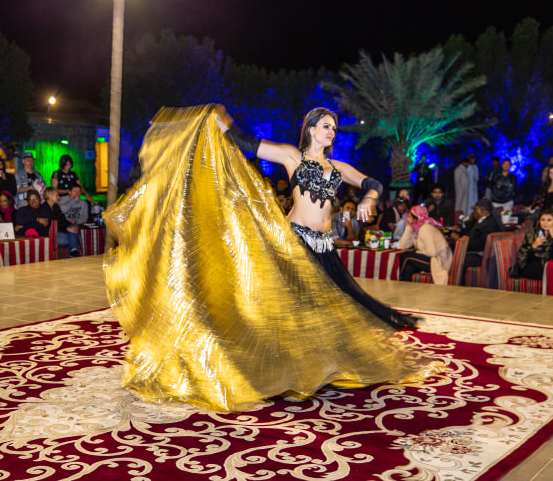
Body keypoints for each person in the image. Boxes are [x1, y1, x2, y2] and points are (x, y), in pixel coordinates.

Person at [103, 104, 440, 412]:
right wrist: (221, 124)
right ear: (310, 129)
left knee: (341, 306)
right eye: (326, 126)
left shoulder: (337, 166)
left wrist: (369, 196)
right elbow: (248, 144)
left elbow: (374, 182)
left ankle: (319, 367)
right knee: (291, 308)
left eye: (334, 128)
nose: (331, 132)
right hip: (295, 243)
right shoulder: (293, 157)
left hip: (325, 245)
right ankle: (271, 368)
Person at [396, 205, 452, 284]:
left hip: (439, 260)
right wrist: (409, 227)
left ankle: (396, 281)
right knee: (409, 268)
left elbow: (432, 252)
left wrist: (417, 253)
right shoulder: (417, 228)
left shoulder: (425, 228)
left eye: (409, 217)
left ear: (416, 218)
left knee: (406, 255)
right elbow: (404, 246)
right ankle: (406, 289)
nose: (407, 219)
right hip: (432, 258)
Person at [511, 210, 553, 280]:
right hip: (532, 267)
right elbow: (522, 257)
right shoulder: (532, 234)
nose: (545, 223)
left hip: (549, 266)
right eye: (543, 220)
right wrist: (534, 246)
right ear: (539, 221)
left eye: (549, 220)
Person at [451, 197, 502, 269]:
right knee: (450, 250)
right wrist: (461, 231)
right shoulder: (484, 220)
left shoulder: (489, 225)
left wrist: (459, 240)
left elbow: (478, 244)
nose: (473, 212)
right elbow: (471, 234)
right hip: (477, 252)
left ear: (480, 211)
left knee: (454, 257)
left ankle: (457, 279)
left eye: (475, 210)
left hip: (481, 255)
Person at [44, 187, 80, 256]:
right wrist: (67, 228)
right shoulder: (44, 209)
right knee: (72, 239)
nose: (59, 197)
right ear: (50, 196)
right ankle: (73, 254)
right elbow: (51, 226)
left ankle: (73, 252)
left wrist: (70, 223)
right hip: (49, 235)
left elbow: (63, 221)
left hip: (59, 231)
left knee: (73, 228)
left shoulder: (56, 207)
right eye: (56, 195)